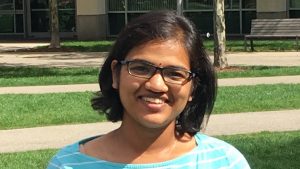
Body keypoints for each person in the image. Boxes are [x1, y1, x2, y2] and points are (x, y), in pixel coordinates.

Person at [47, 10, 250, 169]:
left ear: (193, 88)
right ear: (116, 74)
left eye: (174, 73)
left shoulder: (224, 163)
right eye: (141, 68)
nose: (156, 85)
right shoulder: (68, 165)